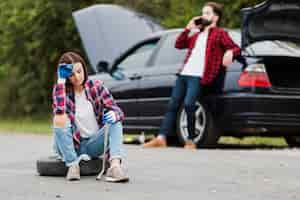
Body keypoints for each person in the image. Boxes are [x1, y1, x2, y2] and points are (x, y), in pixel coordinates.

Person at [143, 2, 241, 149]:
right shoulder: (196, 35)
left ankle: (190, 140)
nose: (203, 16)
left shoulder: (220, 34)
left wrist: (229, 52)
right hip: (184, 74)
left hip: (197, 76)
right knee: (173, 105)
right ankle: (161, 138)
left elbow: (235, 48)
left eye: (207, 13)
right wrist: (188, 29)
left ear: (215, 17)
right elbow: (179, 44)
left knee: (189, 105)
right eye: (203, 13)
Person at [52, 51, 129, 182]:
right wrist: (60, 81)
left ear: (84, 69)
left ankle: (114, 167)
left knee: (115, 121)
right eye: (71, 74)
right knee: (59, 118)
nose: (76, 77)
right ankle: (72, 165)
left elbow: (117, 110)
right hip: (72, 146)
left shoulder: (96, 87)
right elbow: (59, 111)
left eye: (79, 71)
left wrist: (114, 114)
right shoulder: (61, 91)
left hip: (93, 144)